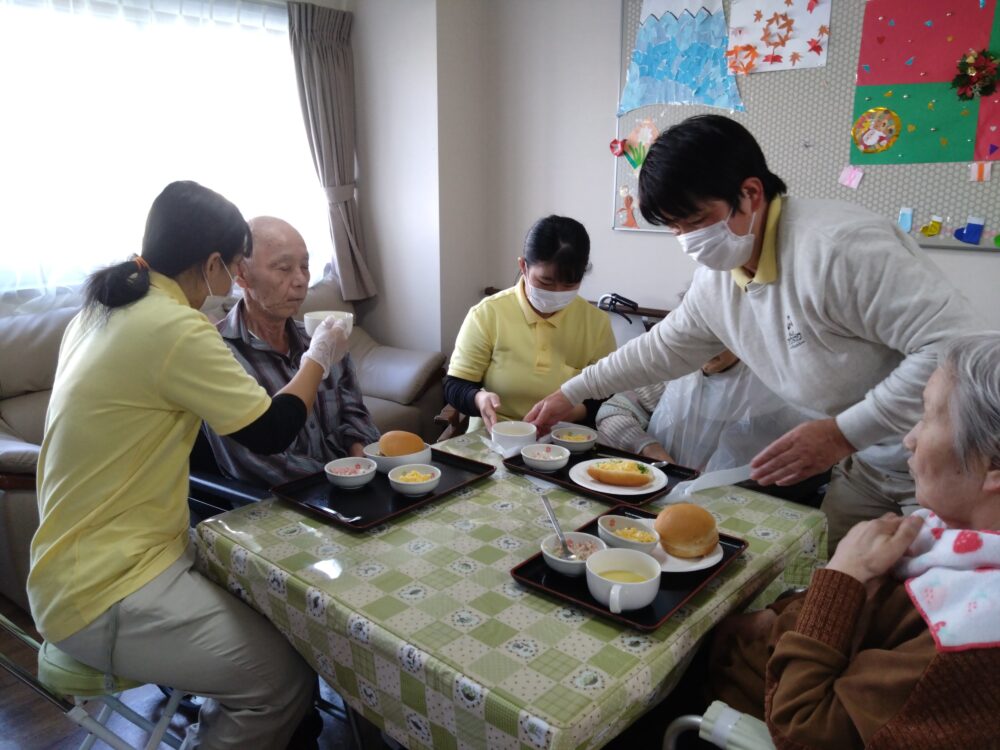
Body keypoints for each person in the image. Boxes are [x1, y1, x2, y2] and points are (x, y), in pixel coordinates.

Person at [525, 115, 984, 551]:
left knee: (924, 610)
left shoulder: (838, 251)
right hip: (865, 465)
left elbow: (956, 352)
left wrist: (843, 432)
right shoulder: (720, 277)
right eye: (675, 227)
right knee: (834, 581)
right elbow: (665, 347)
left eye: (696, 220)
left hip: (952, 467)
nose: (687, 239)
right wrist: (575, 390)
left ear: (750, 193)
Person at [27, 181, 350, 749]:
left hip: (72, 563)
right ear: (217, 266)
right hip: (108, 586)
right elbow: (272, 431)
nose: (298, 280)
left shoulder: (100, 312)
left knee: (281, 624)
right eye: (236, 268)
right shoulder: (176, 328)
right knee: (283, 680)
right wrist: (318, 358)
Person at [703, 332, 1000, 747]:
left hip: (747, 696)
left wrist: (844, 577)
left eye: (929, 417)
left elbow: (802, 729)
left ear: (993, 467)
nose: (909, 439)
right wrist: (782, 615)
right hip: (769, 650)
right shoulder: (949, 530)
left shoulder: (964, 644)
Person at [203, 216, 379, 487]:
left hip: (348, 486)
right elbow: (257, 460)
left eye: (305, 266)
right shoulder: (217, 352)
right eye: (284, 268)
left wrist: (361, 464)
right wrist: (335, 478)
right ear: (242, 275)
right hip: (277, 503)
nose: (300, 281)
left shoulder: (320, 338)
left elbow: (355, 412)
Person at [445, 215, 616, 433]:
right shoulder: (488, 314)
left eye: (570, 284)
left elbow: (608, 393)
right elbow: (455, 386)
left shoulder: (595, 323)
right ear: (523, 266)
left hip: (564, 440)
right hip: (493, 438)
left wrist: (573, 411)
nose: (557, 292)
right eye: (545, 281)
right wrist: (478, 398)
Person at [596, 349, 812, 473]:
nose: (707, 347)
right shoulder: (674, 372)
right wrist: (651, 449)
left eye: (719, 336)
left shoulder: (770, 387)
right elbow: (611, 413)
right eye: (698, 336)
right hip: (664, 483)